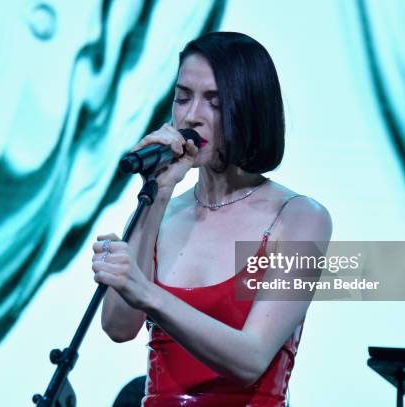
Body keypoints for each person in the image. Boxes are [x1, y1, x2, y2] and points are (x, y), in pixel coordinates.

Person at [91, 31, 332, 406]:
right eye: (182, 97)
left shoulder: (299, 217)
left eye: (213, 103)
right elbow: (119, 327)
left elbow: (251, 358)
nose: (191, 116)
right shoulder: (163, 211)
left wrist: (149, 294)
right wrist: (158, 195)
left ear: (250, 109)